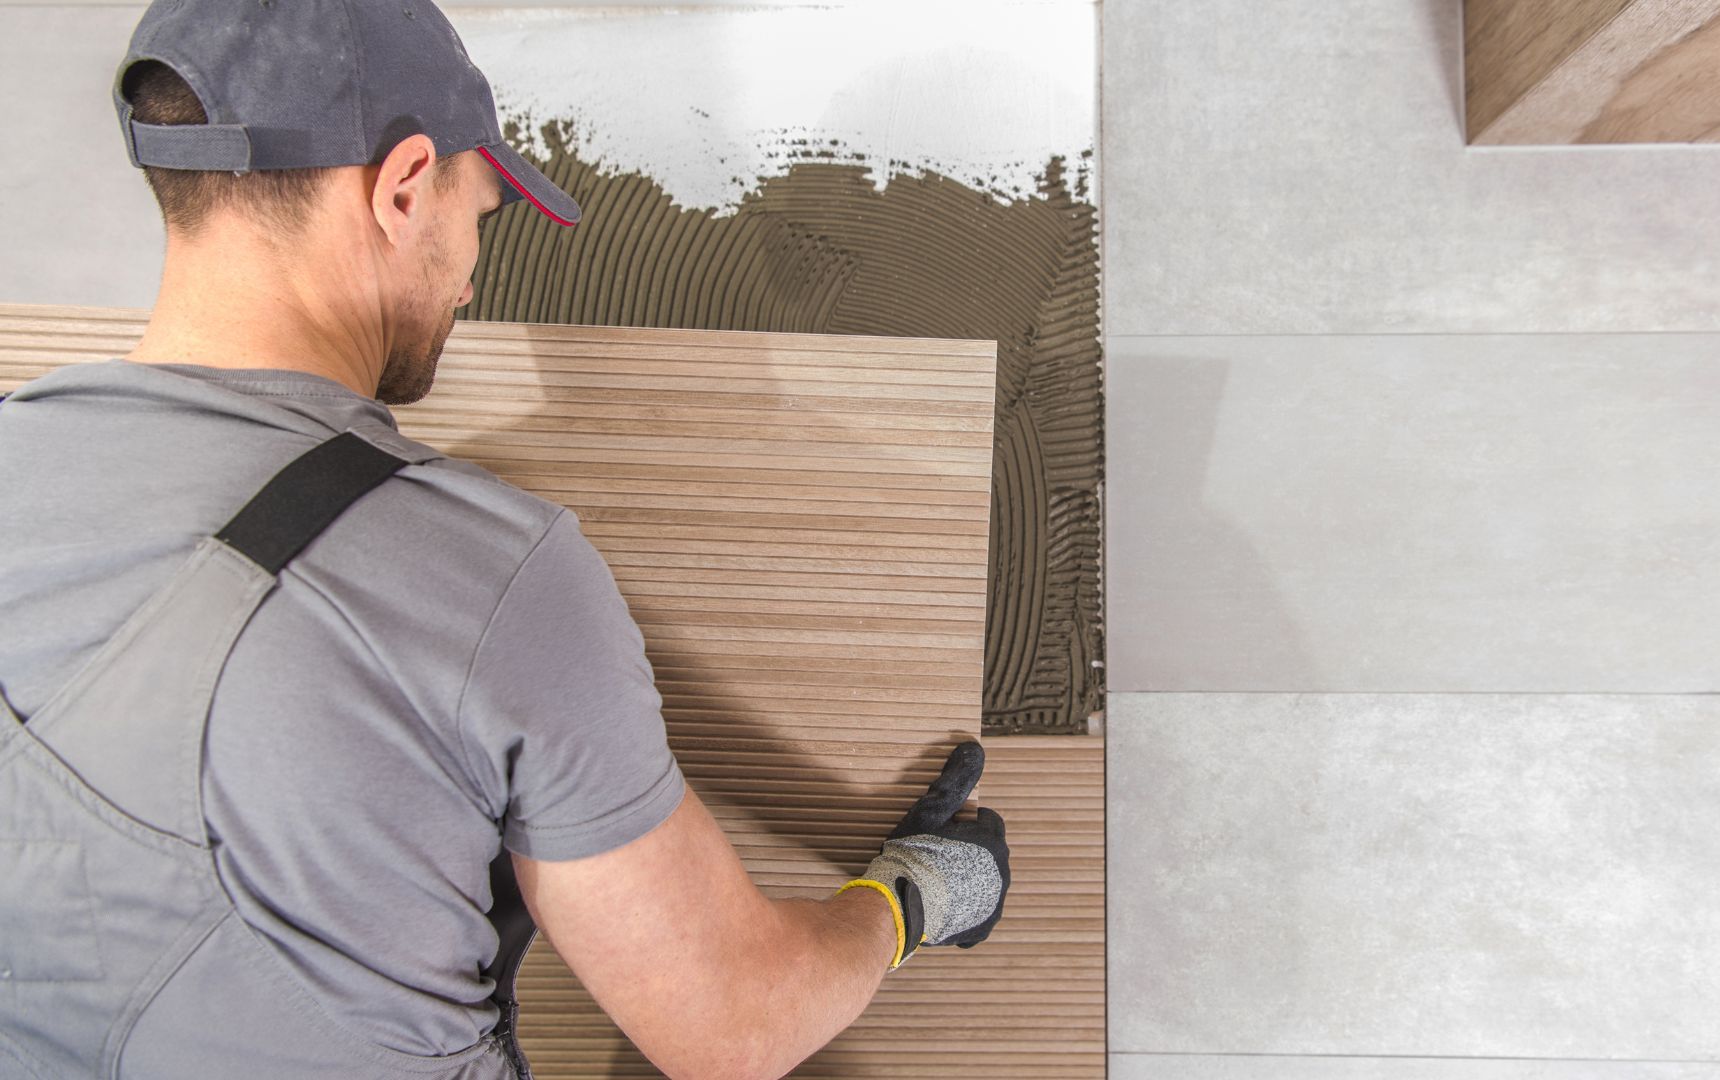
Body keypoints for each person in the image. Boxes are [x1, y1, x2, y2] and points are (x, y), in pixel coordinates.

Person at [0, 3, 1011, 1078]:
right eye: (480, 211)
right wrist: (913, 895)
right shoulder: (486, 573)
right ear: (401, 188)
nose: (472, 277)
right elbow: (731, 1026)